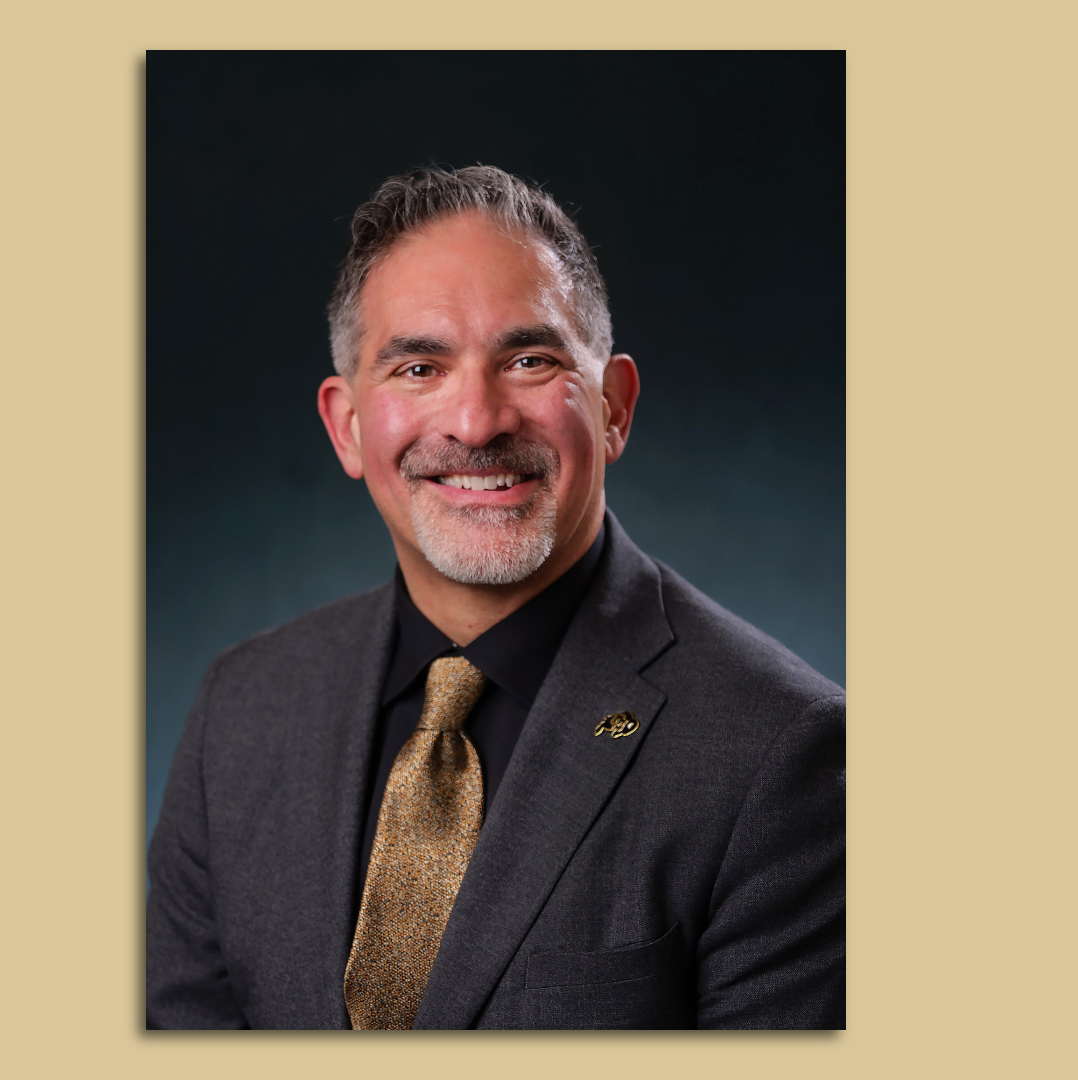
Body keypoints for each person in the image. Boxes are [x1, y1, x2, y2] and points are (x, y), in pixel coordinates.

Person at [146, 165, 844, 1029]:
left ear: (614, 408)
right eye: (419, 367)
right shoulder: (242, 712)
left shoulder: (780, 753)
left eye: (529, 360)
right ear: (347, 426)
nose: (476, 422)